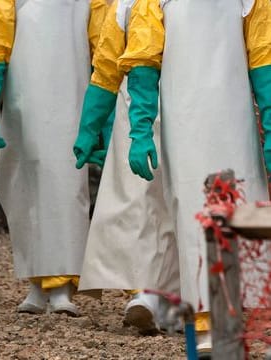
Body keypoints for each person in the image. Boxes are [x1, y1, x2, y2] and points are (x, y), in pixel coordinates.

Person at [118, 0, 271, 355]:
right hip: (184, 125)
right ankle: (206, 323)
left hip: (235, 125)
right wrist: (140, 129)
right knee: (194, 220)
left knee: (243, 214)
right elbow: (143, 58)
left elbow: (263, 56)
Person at [0, 0, 110, 316]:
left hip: (72, 105)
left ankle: (61, 287)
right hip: (25, 110)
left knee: (67, 190)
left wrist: (104, 115)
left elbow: (105, 48)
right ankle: (36, 282)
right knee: (23, 188)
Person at [73, 0, 180, 334]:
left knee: (184, 206)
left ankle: (181, 296)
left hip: (193, 110)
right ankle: (148, 291)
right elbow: (106, 63)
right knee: (140, 204)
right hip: (135, 116)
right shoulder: (127, 5)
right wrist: (91, 124)